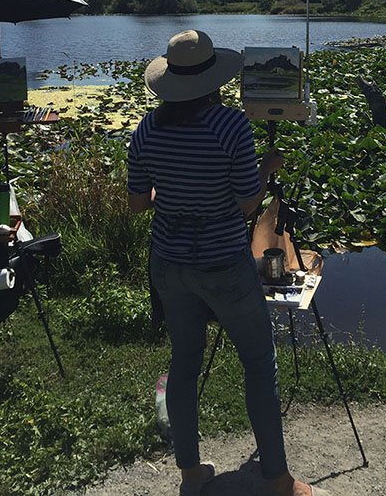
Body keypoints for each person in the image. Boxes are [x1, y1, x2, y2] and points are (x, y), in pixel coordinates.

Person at [128, 30, 327, 496]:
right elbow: (244, 204)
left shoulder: (147, 128)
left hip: (169, 263)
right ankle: (278, 479)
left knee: (184, 363)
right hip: (221, 262)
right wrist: (266, 169)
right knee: (259, 361)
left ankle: (191, 473)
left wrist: (172, 195)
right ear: (215, 79)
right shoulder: (231, 126)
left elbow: (139, 203)